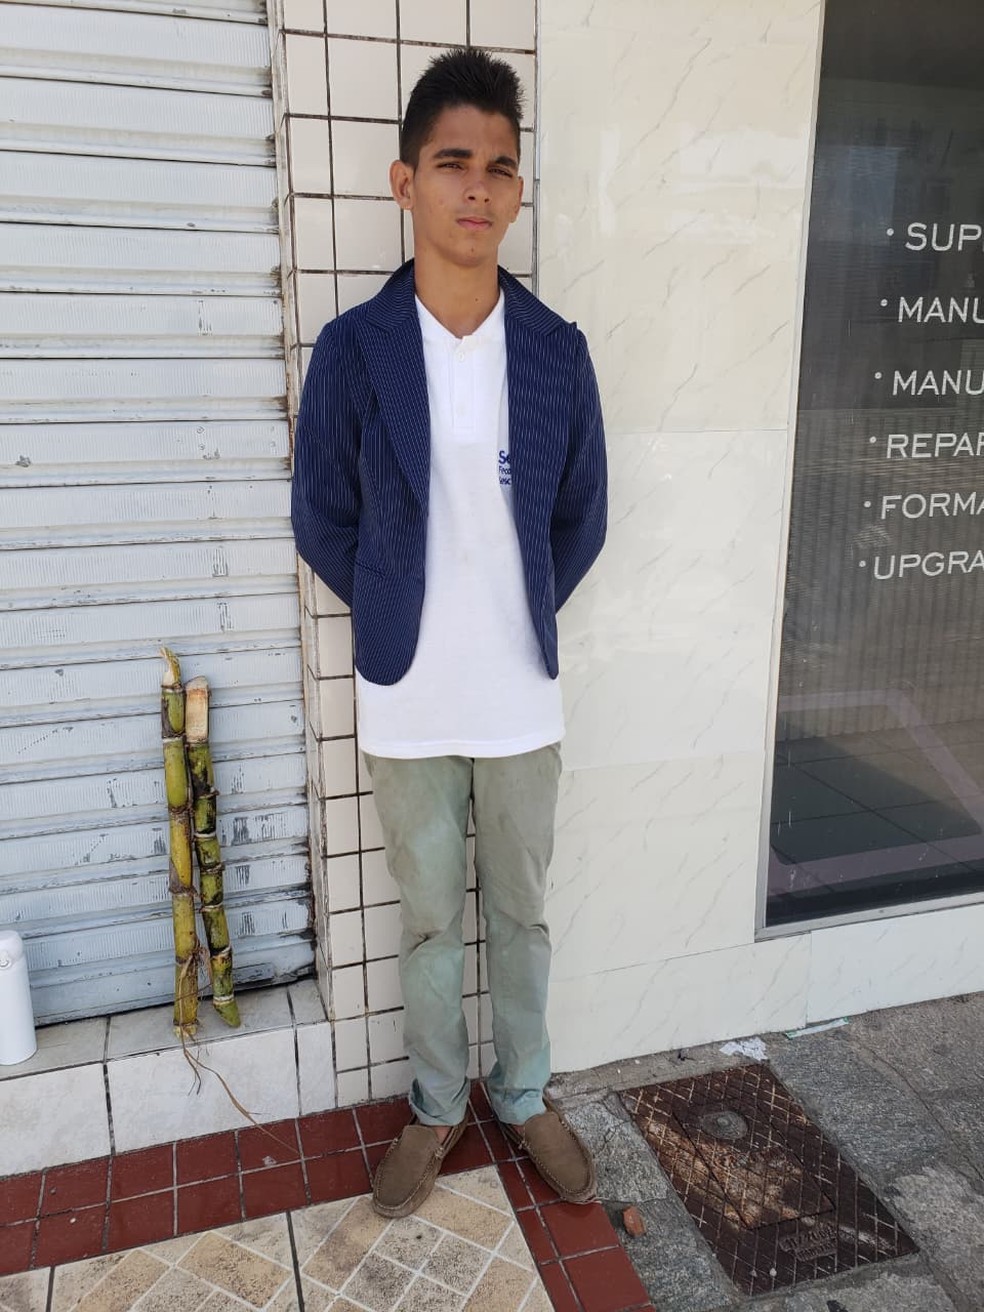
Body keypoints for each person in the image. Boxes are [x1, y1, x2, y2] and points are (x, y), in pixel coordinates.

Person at [291, 47, 607, 1219]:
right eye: (453, 162)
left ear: (518, 192)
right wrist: (395, 601)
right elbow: (321, 514)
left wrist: (513, 607)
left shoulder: (556, 349)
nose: (478, 187)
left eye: (500, 167)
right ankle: (435, 1107)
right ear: (405, 181)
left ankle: (523, 1095)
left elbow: (583, 514)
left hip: (521, 689)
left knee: (520, 912)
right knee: (428, 919)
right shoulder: (355, 348)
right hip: (408, 691)